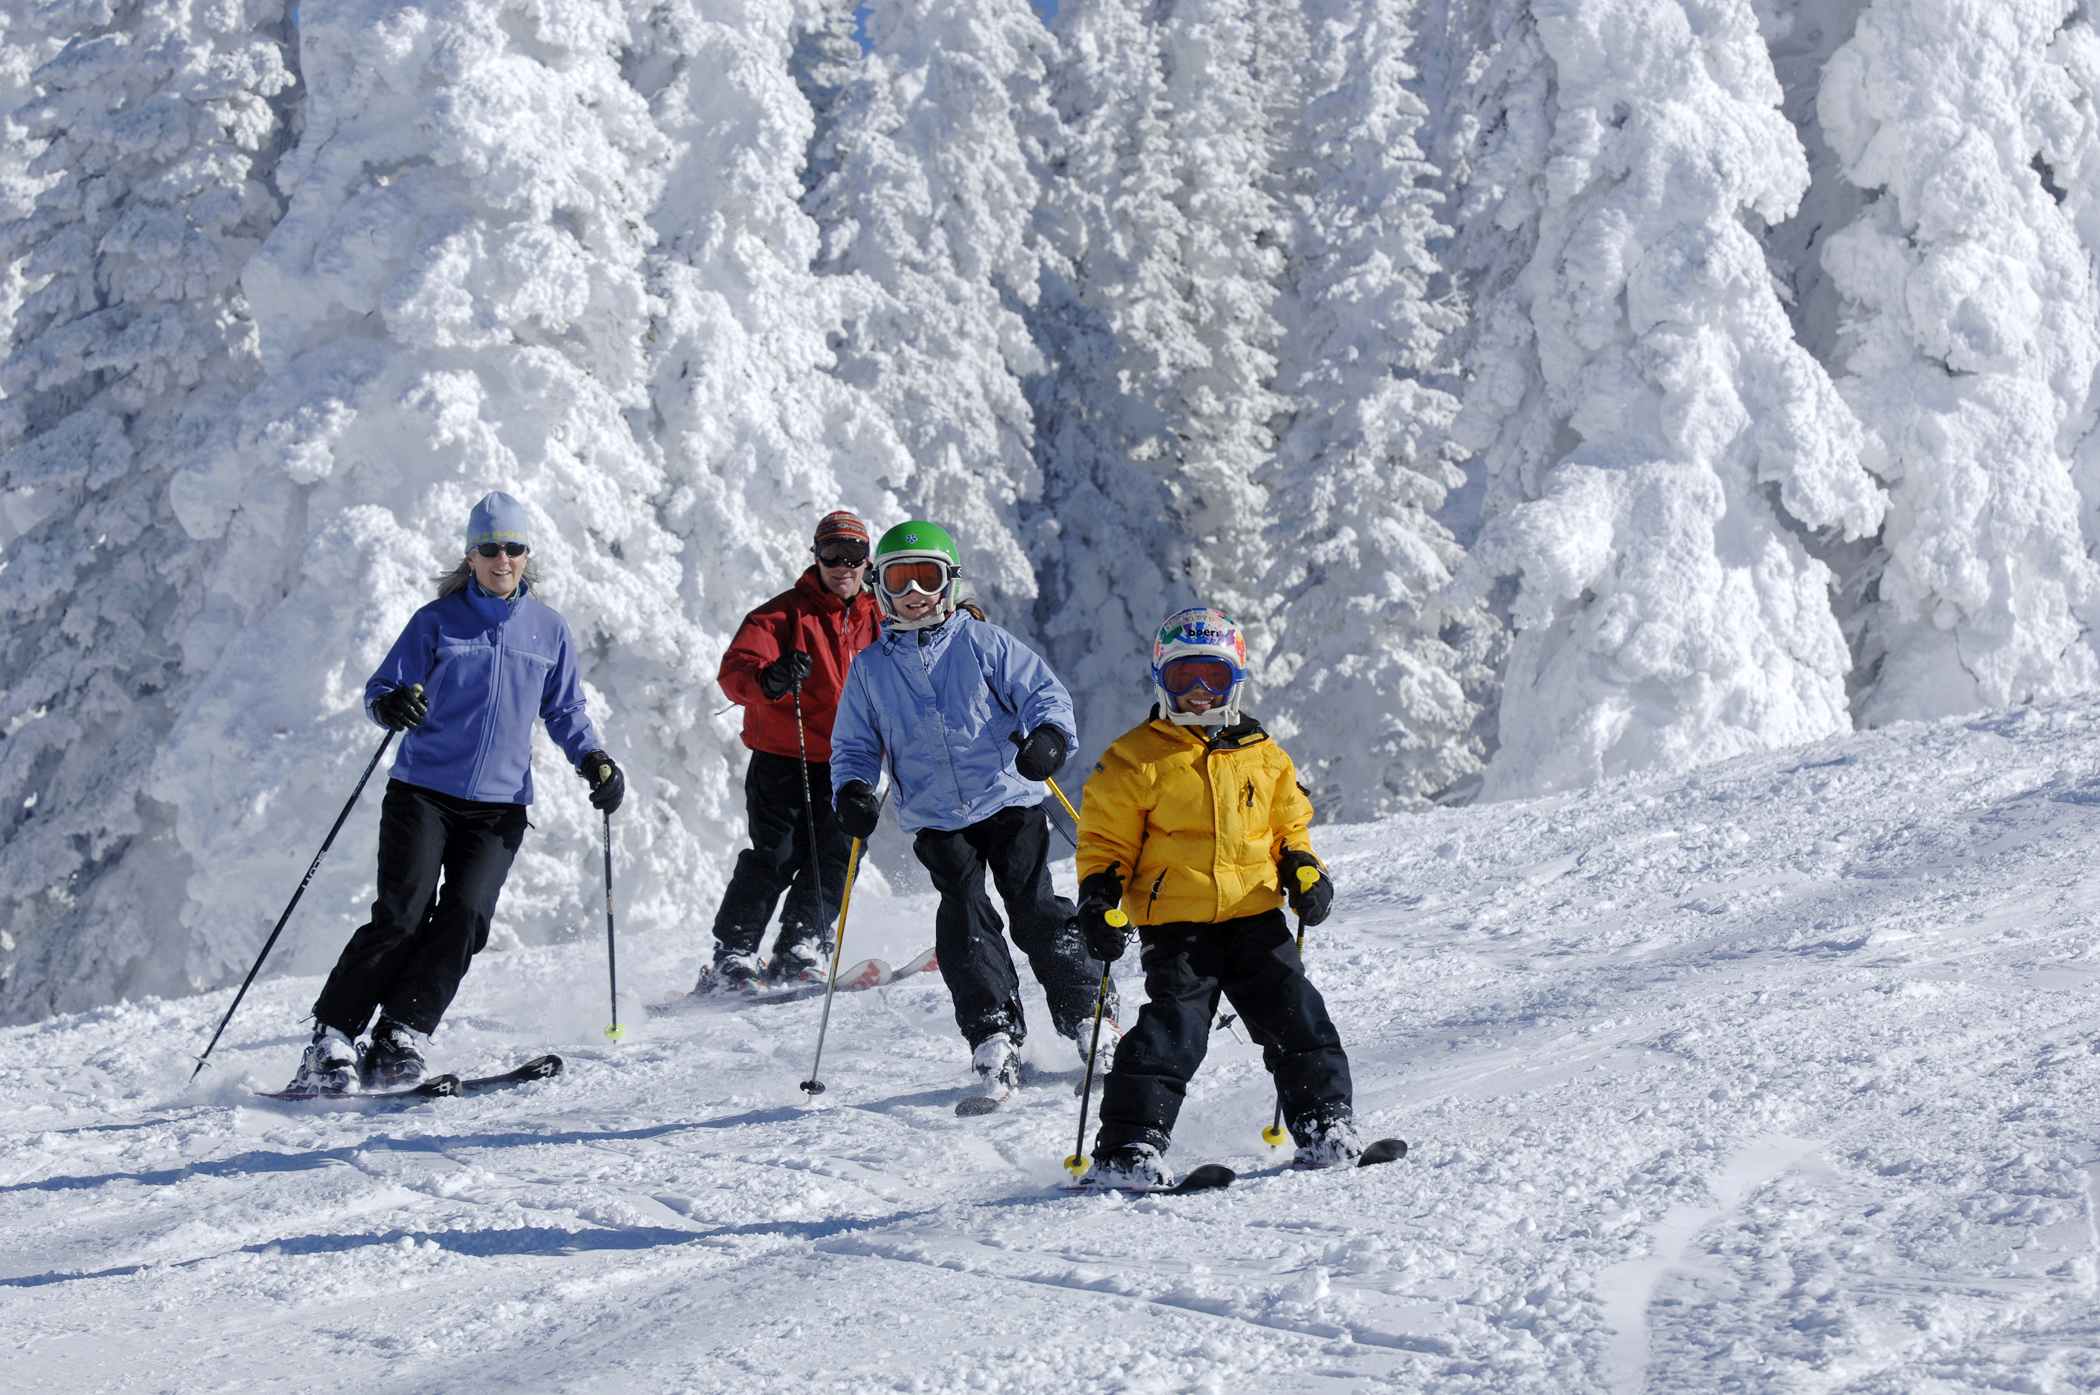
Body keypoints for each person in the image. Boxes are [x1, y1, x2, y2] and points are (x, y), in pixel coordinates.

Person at [290, 492, 624, 1094]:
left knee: (466, 917)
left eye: (514, 548)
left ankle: (400, 1033)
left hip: (498, 806)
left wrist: (594, 759)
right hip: (423, 792)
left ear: (527, 556)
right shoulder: (436, 621)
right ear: (470, 557)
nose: (503, 559)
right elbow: (384, 686)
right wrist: (389, 703)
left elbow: (565, 709)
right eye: (490, 548)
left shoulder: (548, 629)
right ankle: (332, 1039)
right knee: (402, 914)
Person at [1072, 606, 1354, 1188]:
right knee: (1173, 1028)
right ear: (1160, 680)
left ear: (1236, 680)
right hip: (1178, 925)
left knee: (1296, 1013)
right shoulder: (1133, 759)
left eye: (1214, 678)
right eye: (1183, 678)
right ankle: (1126, 1148)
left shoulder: (1264, 754)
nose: (1199, 694)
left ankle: (1323, 1123)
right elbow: (1104, 842)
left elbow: (1287, 830)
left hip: (1255, 916)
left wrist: (1305, 870)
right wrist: (1099, 897)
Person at [829, 521, 1113, 1099]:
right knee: (963, 914)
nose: (914, 593)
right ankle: (993, 1033)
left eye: (926, 578)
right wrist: (854, 789)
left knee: (1032, 905)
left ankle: (1088, 1016)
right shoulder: (870, 668)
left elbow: (1044, 694)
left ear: (949, 582)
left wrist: (1049, 737)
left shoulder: (983, 642)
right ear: (880, 588)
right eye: (899, 580)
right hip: (936, 815)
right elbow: (855, 746)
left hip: (1008, 799)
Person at [695, 510, 882, 993]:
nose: (843, 566)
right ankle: (732, 954)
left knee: (839, 853)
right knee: (776, 855)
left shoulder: (879, 616)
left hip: (851, 761)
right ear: (816, 557)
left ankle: (801, 946)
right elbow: (735, 671)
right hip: (784, 756)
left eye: (854, 555)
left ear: (868, 559)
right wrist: (770, 679)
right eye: (832, 555)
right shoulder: (780, 615)